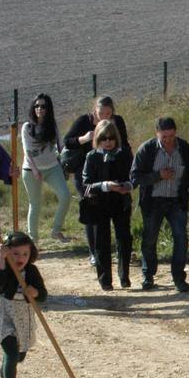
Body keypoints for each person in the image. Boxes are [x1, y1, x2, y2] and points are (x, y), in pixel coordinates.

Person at [132, 117, 189, 293]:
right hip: (153, 201)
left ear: (175, 132)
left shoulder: (184, 148)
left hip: (177, 200)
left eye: (171, 136)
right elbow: (135, 177)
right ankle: (148, 276)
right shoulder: (146, 150)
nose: (168, 140)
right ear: (157, 134)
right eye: (164, 137)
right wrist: (158, 176)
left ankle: (179, 278)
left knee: (181, 238)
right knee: (150, 239)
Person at [65, 96, 130, 266]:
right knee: (91, 208)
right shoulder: (83, 121)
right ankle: (94, 252)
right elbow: (67, 142)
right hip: (87, 172)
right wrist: (85, 139)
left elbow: (125, 143)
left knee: (116, 210)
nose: (104, 117)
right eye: (101, 113)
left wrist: (127, 166)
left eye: (108, 113)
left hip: (113, 169)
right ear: (95, 110)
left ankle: (118, 251)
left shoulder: (117, 122)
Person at [80, 120, 135, 291]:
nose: (108, 142)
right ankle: (105, 280)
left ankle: (124, 276)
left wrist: (127, 186)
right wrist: (105, 185)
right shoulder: (92, 156)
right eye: (103, 138)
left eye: (111, 138)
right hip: (99, 203)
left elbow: (134, 176)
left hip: (121, 201)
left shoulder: (125, 154)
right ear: (98, 139)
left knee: (124, 239)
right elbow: (86, 183)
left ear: (116, 138)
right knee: (101, 242)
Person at [0, 231, 48, 378]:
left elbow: (43, 295)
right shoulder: (3, 267)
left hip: (24, 319)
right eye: (15, 253)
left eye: (25, 254)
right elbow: (0, 286)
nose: (20, 258)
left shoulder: (32, 271)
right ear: (7, 252)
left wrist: (35, 292)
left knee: (18, 356)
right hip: (4, 317)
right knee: (11, 352)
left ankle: (6, 366)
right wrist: (1, 261)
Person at [20, 94, 73, 244]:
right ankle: (33, 240)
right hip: (31, 171)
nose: (40, 109)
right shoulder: (27, 127)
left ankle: (56, 231)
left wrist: (68, 160)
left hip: (52, 167)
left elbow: (60, 146)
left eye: (43, 106)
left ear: (48, 109)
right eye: (37, 106)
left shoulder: (52, 125)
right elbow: (27, 152)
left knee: (65, 196)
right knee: (35, 204)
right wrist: (35, 170)